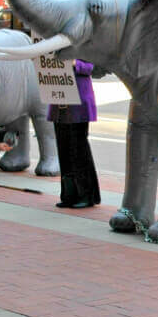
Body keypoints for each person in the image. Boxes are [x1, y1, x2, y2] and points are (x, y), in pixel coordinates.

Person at [50, 59, 100, 208]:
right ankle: (69, 194)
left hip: (78, 102)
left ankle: (85, 194)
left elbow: (92, 67)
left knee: (78, 149)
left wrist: (74, 63)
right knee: (63, 148)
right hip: (59, 102)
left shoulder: (83, 42)